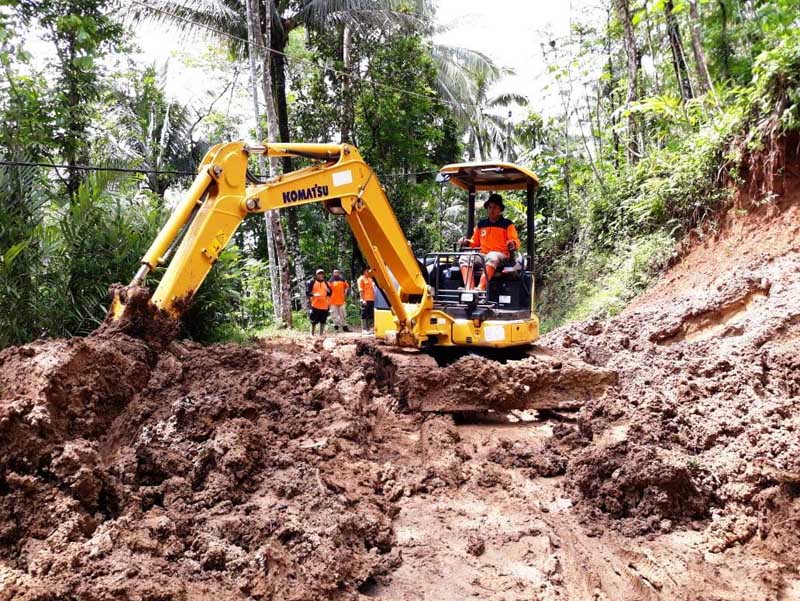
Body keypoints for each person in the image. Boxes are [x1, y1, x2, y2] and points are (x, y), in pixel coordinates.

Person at [458, 193, 521, 291]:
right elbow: (474, 242)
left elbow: (515, 240)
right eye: (490, 207)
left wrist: (512, 244)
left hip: (501, 256)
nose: (492, 210)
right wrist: (466, 242)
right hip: (483, 255)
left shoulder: (507, 224)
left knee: (492, 256)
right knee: (465, 257)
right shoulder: (481, 224)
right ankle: (469, 290)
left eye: (495, 207)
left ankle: (480, 288)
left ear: (500, 209)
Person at [306, 268, 332, 336]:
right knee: (313, 321)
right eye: (319, 274)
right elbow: (307, 292)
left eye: (322, 274)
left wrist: (329, 291)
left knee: (323, 321)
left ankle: (321, 334)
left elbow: (330, 293)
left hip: (324, 305)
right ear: (316, 275)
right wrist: (314, 294)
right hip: (315, 305)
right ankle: (312, 334)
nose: (320, 275)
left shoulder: (326, 283)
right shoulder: (312, 282)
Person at [357, 266, 376, 333]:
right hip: (365, 299)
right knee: (364, 313)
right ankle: (364, 329)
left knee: (371, 314)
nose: (369, 272)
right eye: (367, 271)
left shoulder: (371, 279)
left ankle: (371, 328)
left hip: (372, 299)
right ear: (364, 271)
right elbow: (361, 290)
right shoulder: (361, 279)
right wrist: (363, 299)